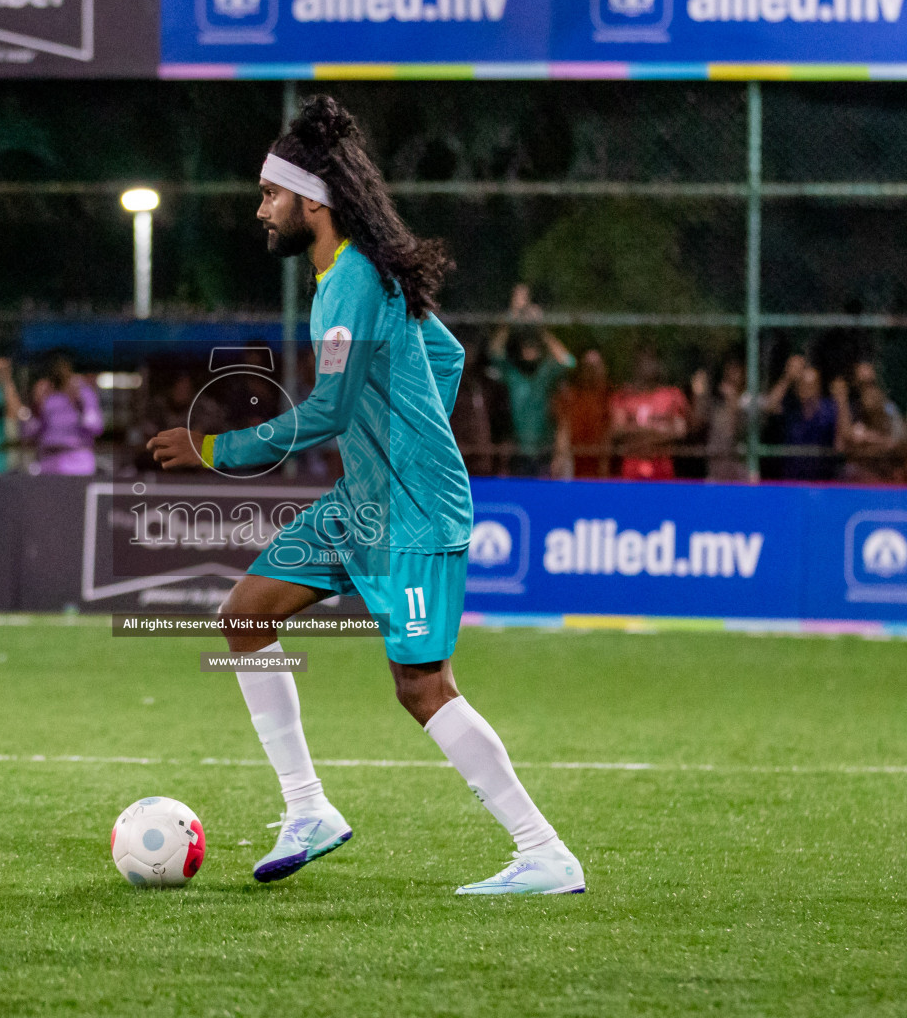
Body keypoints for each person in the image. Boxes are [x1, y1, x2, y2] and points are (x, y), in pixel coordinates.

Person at [146, 95, 584, 896]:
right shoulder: (352, 279)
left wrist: (215, 448)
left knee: (422, 688)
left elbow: (327, 413)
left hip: (412, 512)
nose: (261, 209)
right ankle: (308, 809)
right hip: (365, 503)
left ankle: (544, 851)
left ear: (311, 201)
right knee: (244, 617)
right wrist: (403, 426)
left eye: (269, 195)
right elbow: (443, 357)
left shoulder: (352, 281)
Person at [488, 315, 574, 477]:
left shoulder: (545, 374)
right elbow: (494, 353)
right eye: (526, 347)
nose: (529, 351)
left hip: (544, 452)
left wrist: (541, 330)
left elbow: (567, 362)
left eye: (533, 347)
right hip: (518, 453)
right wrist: (511, 318)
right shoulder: (514, 375)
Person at [608, 345, 688, 480]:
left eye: (650, 360)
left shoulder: (672, 395)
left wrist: (638, 431)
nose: (646, 366)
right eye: (642, 361)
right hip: (631, 464)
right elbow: (618, 429)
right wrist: (657, 430)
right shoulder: (623, 397)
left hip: (662, 464)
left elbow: (679, 431)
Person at [763, 355, 847, 482]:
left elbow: (840, 444)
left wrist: (841, 399)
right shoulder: (791, 407)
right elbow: (769, 407)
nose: (806, 390)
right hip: (792, 480)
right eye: (802, 385)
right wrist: (788, 378)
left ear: (818, 387)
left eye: (811, 386)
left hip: (821, 481)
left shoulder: (829, 409)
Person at [23, 349, 103, 475]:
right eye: (54, 367)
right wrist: (37, 406)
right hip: (48, 460)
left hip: (78, 460)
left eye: (62, 366)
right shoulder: (44, 394)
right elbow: (28, 433)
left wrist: (78, 403)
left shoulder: (83, 392)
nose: (59, 371)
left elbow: (96, 428)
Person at [450, 336, 513, 476]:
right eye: (464, 347)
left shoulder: (491, 385)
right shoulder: (449, 384)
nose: (468, 352)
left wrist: (502, 464)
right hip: (455, 458)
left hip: (484, 460)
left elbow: (502, 426)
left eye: (472, 348)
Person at [552, 348, 611, 479]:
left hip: (598, 467)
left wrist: (604, 463)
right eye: (588, 366)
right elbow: (563, 429)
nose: (591, 371)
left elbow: (609, 432)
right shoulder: (570, 396)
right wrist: (560, 457)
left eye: (595, 366)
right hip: (573, 464)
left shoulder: (608, 396)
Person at [691, 359, 748, 483]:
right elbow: (696, 424)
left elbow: (735, 431)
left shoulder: (747, 402)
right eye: (728, 369)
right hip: (715, 472)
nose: (731, 374)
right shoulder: (716, 405)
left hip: (739, 473)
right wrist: (699, 395)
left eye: (736, 369)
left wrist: (732, 401)